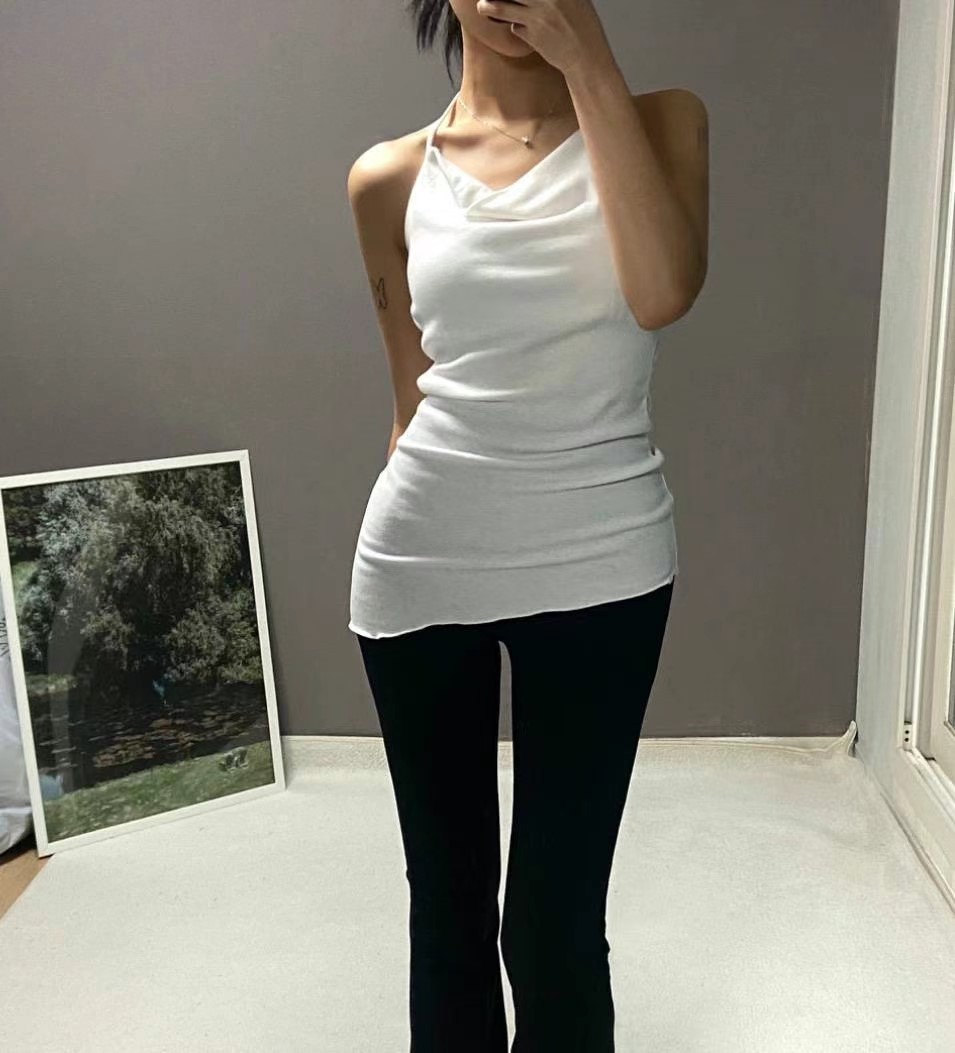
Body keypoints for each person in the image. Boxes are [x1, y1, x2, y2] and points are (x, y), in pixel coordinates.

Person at [345, 2, 708, 1049]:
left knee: (553, 927)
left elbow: (661, 292)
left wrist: (584, 56)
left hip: (606, 557)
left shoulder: (664, 123)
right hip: (421, 562)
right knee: (448, 915)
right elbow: (409, 396)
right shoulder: (388, 177)